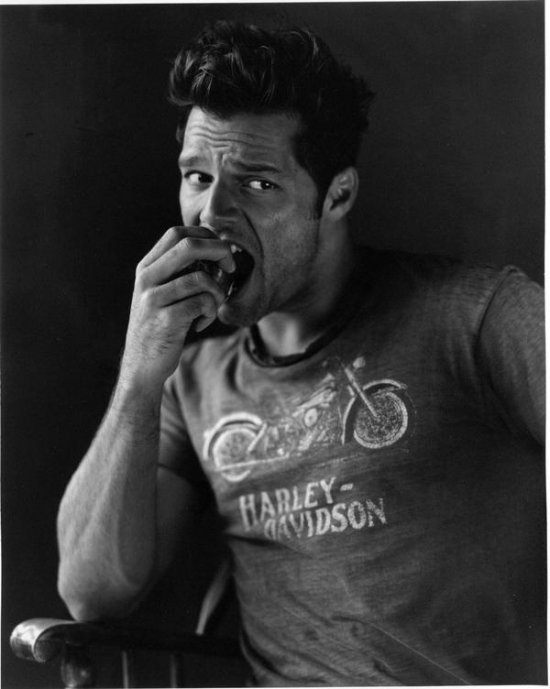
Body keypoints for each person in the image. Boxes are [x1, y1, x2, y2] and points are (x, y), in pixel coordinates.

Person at [56, 20, 546, 685]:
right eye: (197, 176)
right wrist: (140, 374)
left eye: (257, 184)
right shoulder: (191, 382)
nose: (211, 215)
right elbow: (91, 594)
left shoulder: (478, 316)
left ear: (337, 195)